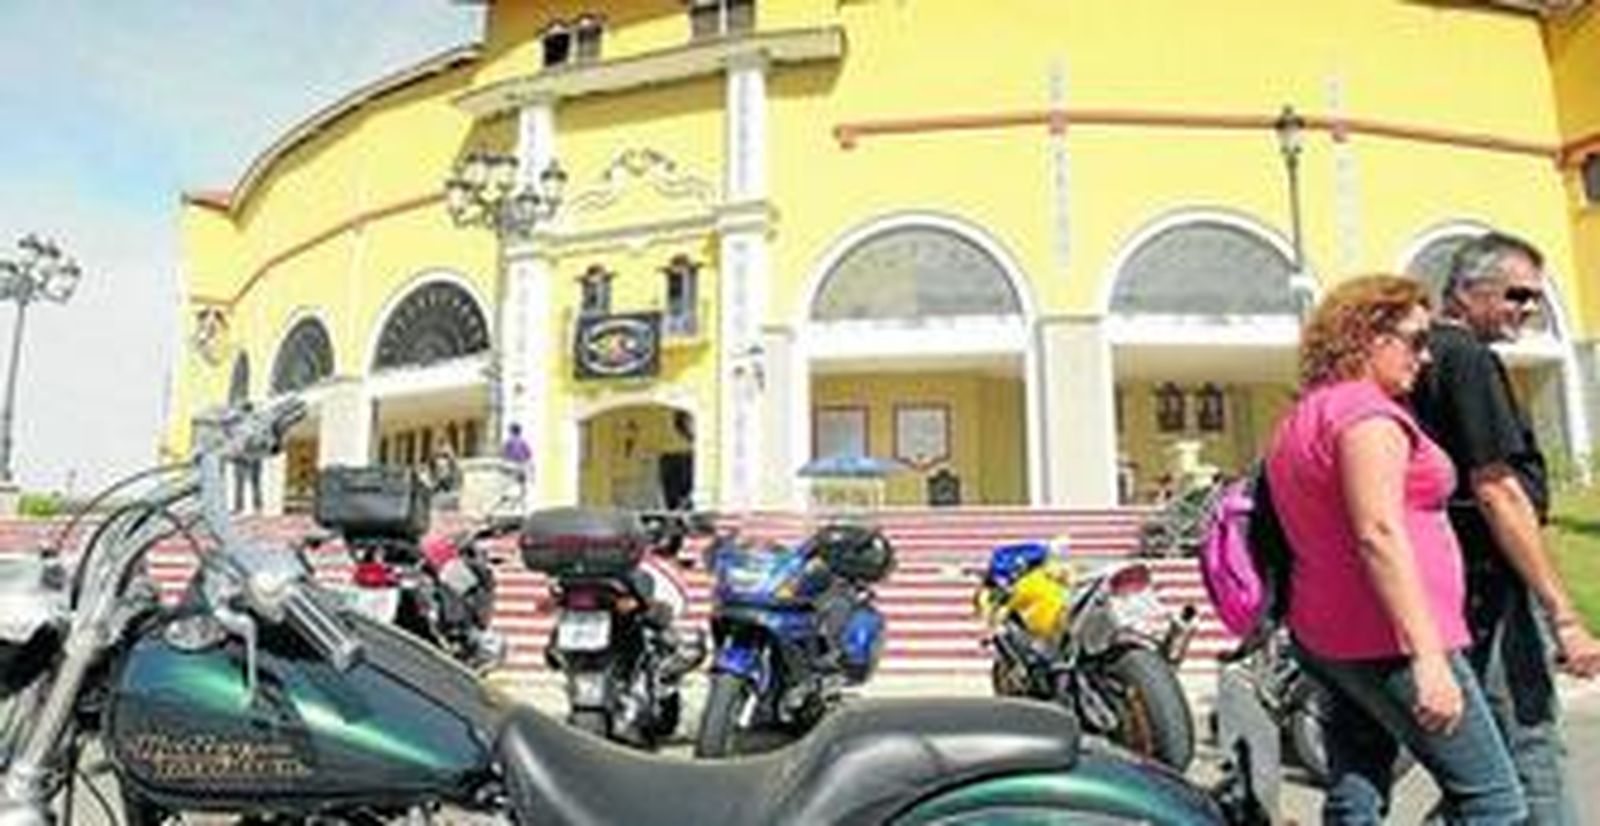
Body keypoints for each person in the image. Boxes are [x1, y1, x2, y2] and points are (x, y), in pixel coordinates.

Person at [1265, 275, 1523, 824]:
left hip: (1330, 635)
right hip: (1392, 639)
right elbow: (1378, 532)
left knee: (1357, 785)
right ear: (1368, 336)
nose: (1425, 358)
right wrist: (1428, 658)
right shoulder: (1368, 417)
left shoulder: (1305, 415)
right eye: (1415, 339)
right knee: (1493, 799)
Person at [1409, 231, 1600, 826]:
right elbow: (1498, 490)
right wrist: (1564, 615)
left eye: (1535, 299)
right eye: (1517, 295)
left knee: (1487, 763)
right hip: (1489, 585)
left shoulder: (1421, 357)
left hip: (1450, 586)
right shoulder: (1466, 358)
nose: (1529, 309)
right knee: (1530, 747)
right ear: (1467, 291)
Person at [501, 422, 532, 503]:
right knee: (521, 480)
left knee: (509, 480)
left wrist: (505, 461)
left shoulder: (509, 441)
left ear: (511, 431)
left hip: (511, 464)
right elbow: (528, 454)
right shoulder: (523, 441)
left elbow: (505, 453)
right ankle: (522, 493)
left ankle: (507, 495)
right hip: (521, 464)